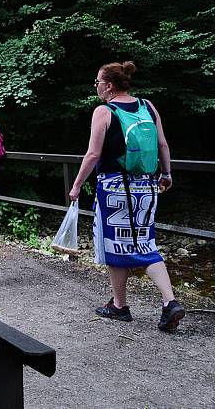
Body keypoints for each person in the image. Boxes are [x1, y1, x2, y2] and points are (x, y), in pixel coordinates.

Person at [69, 61, 183, 332]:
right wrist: (166, 173)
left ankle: (120, 306)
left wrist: (76, 185)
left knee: (114, 245)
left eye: (98, 82)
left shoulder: (104, 111)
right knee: (146, 243)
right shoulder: (147, 106)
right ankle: (170, 302)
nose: (96, 87)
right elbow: (163, 144)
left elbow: (93, 154)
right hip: (147, 187)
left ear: (109, 86)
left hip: (114, 190)